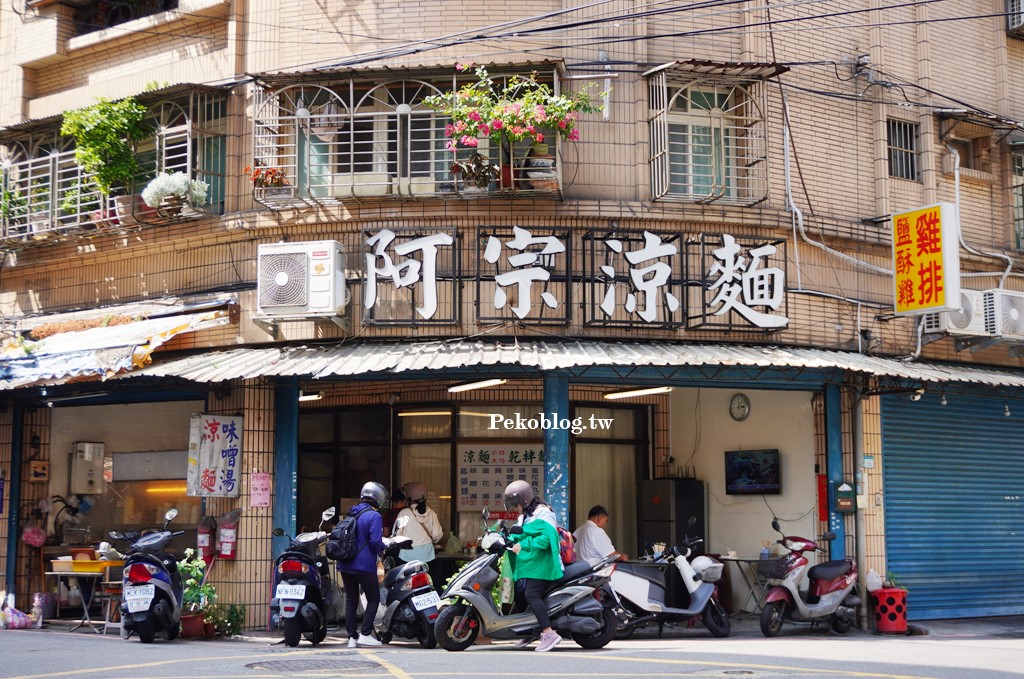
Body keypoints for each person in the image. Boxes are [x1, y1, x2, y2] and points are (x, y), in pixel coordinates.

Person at [502, 479, 564, 652]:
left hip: (545, 564)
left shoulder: (543, 514)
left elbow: (547, 539)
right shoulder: (525, 516)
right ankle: (529, 631)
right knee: (519, 594)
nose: (515, 509)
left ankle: (549, 633)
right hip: (531, 564)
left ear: (524, 501)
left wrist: (525, 545)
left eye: (516, 504)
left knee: (531, 594)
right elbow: (518, 534)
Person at [336, 481, 389, 648]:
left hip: (345, 564)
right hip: (364, 566)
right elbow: (375, 542)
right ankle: (365, 633)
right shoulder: (374, 516)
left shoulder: (351, 513)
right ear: (378, 498)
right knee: (373, 598)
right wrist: (383, 547)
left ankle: (352, 637)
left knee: (351, 600)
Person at [392, 481, 443, 564]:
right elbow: (437, 535)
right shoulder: (432, 513)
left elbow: (396, 535)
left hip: (407, 555)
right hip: (427, 555)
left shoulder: (404, 513)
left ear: (408, 498)